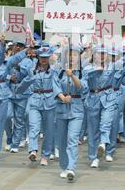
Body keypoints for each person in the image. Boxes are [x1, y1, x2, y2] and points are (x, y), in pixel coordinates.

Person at [17, 44, 61, 166]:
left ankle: (45, 155)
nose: (44, 59)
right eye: (41, 56)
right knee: (34, 127)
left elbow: (57, 85)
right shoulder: (32, 70)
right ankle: (33, 150)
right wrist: (18, 90)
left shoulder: (53, 71)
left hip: (50, 102)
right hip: (35, 101)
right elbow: (25, 82)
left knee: (48, 130)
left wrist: (61, 96)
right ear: (38, 56)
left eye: (46, 57)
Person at [55, 44, 88, 180]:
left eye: (74, 55)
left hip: (77, 109)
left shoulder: (83, 71)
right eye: (69, 54)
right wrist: (62, 97)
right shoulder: (59, 71)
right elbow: (54, 85)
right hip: (62, 108)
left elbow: (82, 87)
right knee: (62, 141)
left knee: (72, 139)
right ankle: (64, 165)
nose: (72, 57)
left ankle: (71, 167)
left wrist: (73, 76)